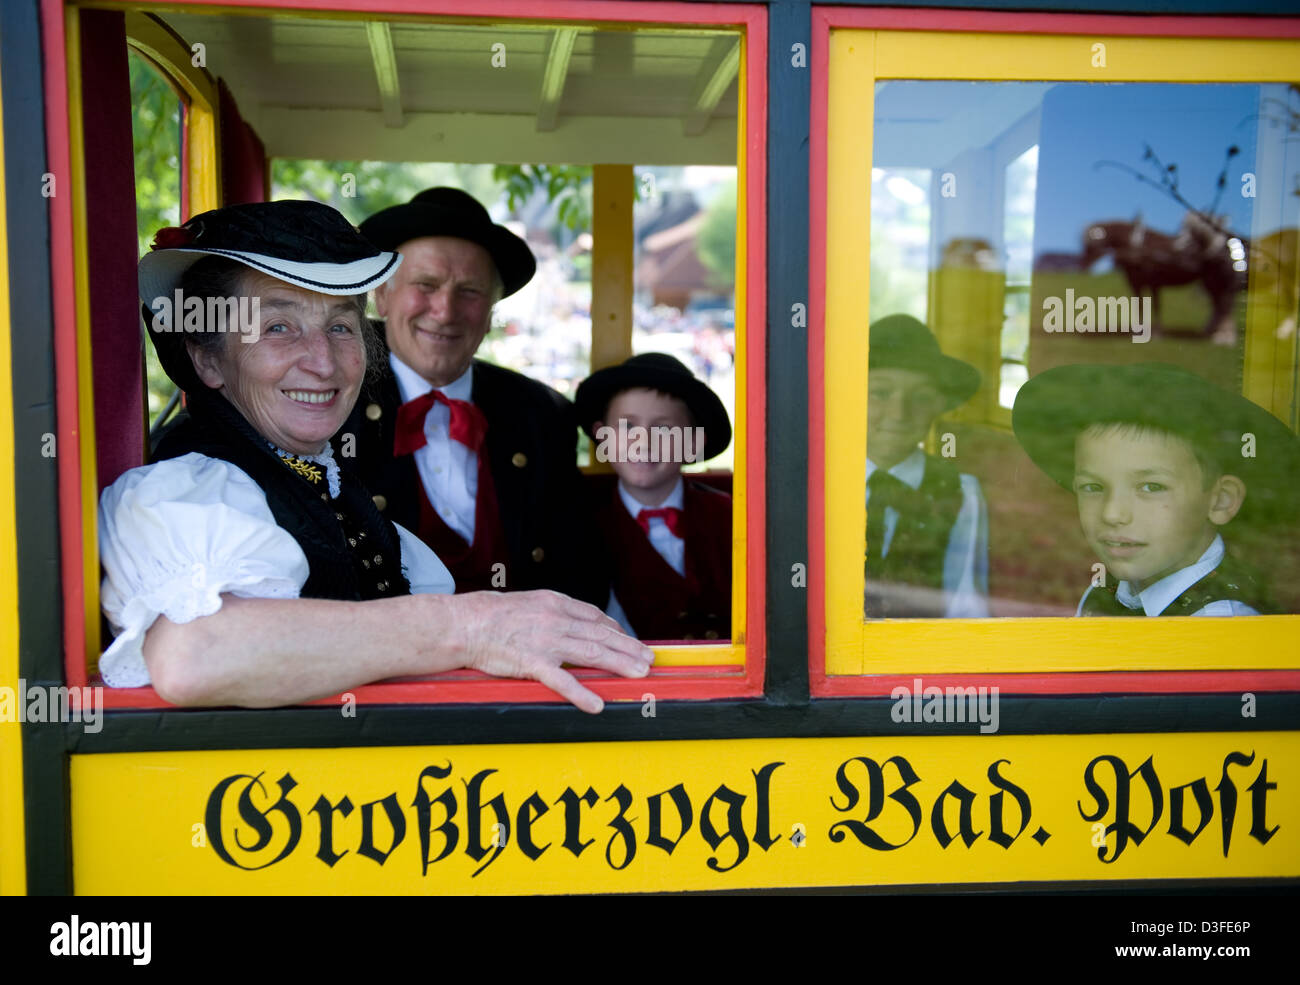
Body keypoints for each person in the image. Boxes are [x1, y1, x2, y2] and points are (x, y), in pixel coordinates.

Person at [99, 200, 651, 713]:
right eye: (278, 327)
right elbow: (194, 656)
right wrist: (472, 626)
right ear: (208, 360)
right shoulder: (181, 492)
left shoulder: (335, 491)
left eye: (341, 326)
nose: (323, 362)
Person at [344, 187, 604, 605]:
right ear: (383, 296)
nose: (445, 311)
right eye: (425, 285)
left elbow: (577, 569)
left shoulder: (542, 413)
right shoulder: (331, 402)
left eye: (469, 291)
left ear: (491, 314)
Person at [1011, 362, 1300, 616]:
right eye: (1093, 486)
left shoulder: (1218, 627)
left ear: (1221, 501)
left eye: (1151, 486)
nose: (1113, 514)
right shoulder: (1107, 593)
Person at [574, 353, 732, 641]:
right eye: (627, 427)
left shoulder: (734, 519)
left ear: (695, 442)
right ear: (601, 436)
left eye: (663, 429)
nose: (643, 443)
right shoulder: (577, 526)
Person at [864, 314, 989, 618]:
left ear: (938, 405)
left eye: (920, 398)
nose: (898, 412)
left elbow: (966, 602)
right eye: (880, 394)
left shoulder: (960, 492)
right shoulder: (818, 482)